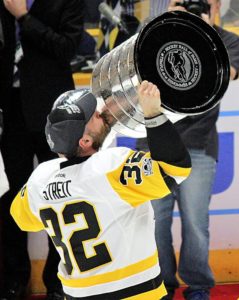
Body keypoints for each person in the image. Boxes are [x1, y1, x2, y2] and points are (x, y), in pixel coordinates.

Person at [10, 80, 191, 300]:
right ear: (85, 140)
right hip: (137, 293)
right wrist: (153, 114)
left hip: (77, 295)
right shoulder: (111, 166)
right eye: (93, 115)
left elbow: (22, 219)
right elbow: (175, 170)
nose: (99, 112)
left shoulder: (40, 178)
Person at [136, 1, 239, 299]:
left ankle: (198, 286)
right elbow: (136, 75)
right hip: (153, 143)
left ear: (216, 5)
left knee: (196, 223)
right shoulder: (155, 32)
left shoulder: (228, 40)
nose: (192, 7)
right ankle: (161, 285)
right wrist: (172, 26)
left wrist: (203, 36)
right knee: (155, 222)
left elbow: (227, 75)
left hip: (198, 143)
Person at [0, 0, 85, 299]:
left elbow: (67, 48)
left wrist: (24, 17)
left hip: (54, 112)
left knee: (60, 196)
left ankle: (59, 282)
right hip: (10, 113)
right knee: (10, 198)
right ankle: (13, 280)